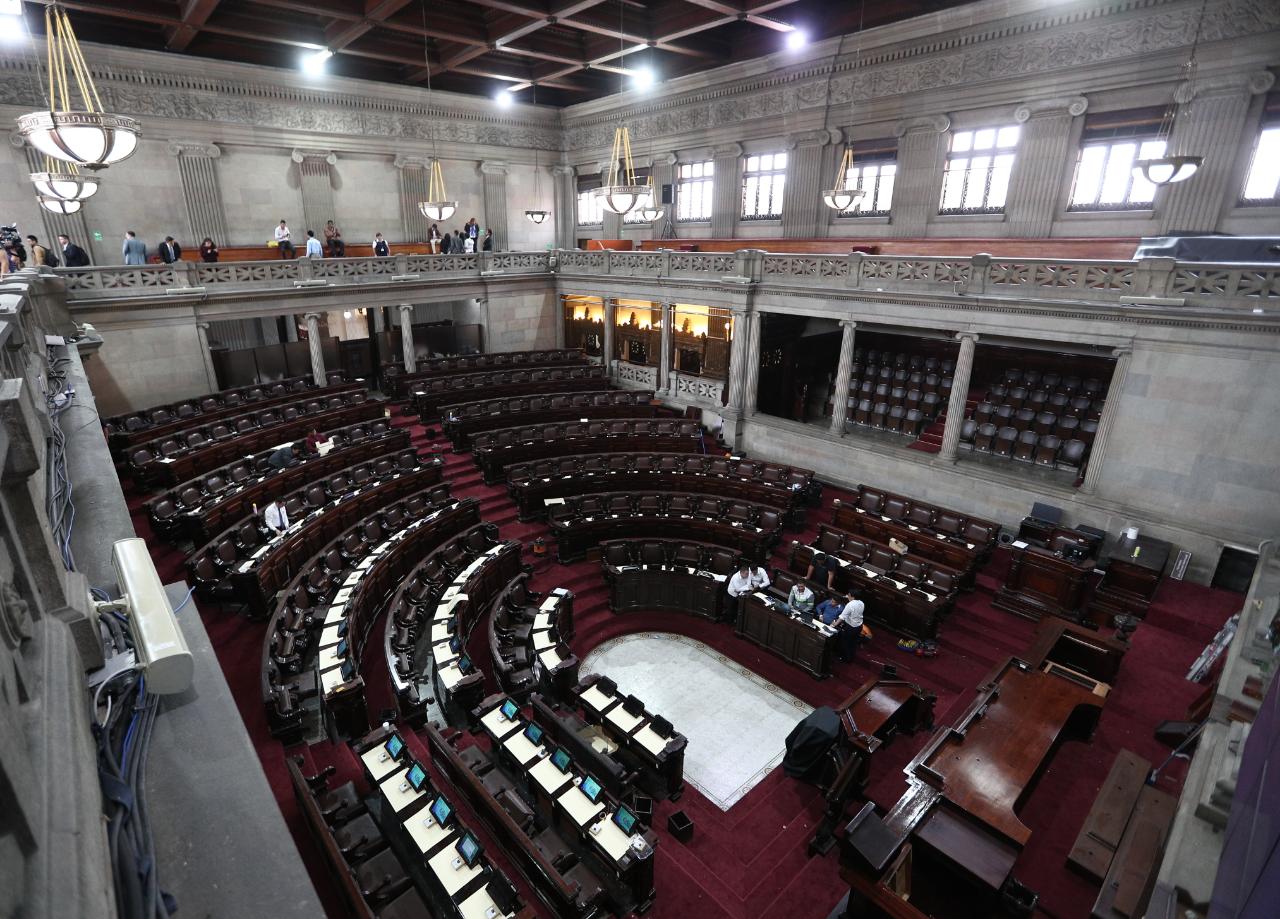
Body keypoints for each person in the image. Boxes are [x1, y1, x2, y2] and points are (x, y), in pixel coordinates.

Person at [833, 592, 868, 663]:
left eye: (848, 595)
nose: (847, 596)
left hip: (851, 627)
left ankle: (844, 658)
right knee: (853, 643)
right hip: (859, 627)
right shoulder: (862, 603)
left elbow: (842, 617)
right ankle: (850, 657)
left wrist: (834, 624)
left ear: (853, 596)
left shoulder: (850, 604)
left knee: (845, 642)